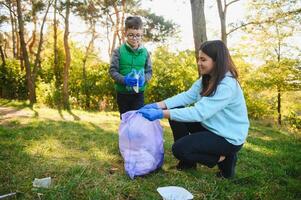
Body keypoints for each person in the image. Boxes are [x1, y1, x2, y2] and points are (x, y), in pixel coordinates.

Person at [138, 40, 249, 178]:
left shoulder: (227, 85)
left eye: (203, 59)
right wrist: (158, 105)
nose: (199, 63)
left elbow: (199, 113)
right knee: (176, 110)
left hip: (228, 137)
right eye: (199, 59)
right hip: (213, 126)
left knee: (179, 149)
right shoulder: (208, 78)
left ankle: (224, 158)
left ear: (217, 61)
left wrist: (161, 113)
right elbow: (187, 96)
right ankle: (188, 164)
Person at [109, 16, 152, 116]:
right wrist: (125, 80)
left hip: (138, 94)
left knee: (137, 120)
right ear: (125, 34)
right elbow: (112, 71)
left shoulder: (145, 52)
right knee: (126, 120)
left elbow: (149, 71)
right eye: (131, 35)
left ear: (142, 34)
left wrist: (144, 79)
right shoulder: (118, 51)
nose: (134, 38)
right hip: (122, 94)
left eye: (138, 35)